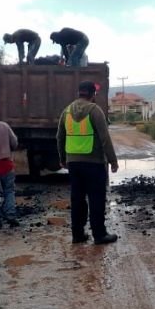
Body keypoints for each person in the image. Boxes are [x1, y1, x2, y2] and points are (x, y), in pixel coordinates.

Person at [57, 81, 119, 244]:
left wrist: (63, 158)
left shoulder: (66, 111)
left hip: (74, 164)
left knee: (77, 199)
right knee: (96, 198)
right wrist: (112, 161)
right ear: (93, 94)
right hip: (94, 163)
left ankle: (77, 234)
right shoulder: (94, 110)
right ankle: (99, 234)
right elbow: (105, 138)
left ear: (79, 93)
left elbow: (60, 137)